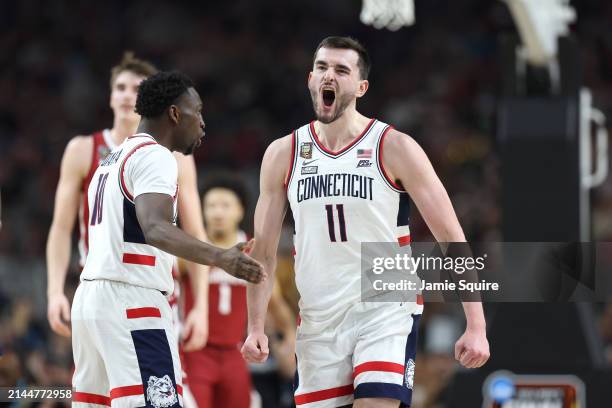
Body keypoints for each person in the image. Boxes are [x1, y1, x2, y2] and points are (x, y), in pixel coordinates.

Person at [242, 36, 490, 408]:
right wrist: (256, 327)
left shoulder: (393, 146)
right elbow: (262, 251)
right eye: (323, 68)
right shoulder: (284, 153)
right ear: (311, 79)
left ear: (361, 87)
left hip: (384, 305)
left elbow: (450, 236)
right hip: (318, 316)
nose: (330, 76)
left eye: (342, 70)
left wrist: (477, 325)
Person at [71, 71, 264, 407]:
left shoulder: (109, 160)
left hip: (90, 301)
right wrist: (220, 257)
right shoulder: (156, 156)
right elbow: (156, 227)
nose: (202, 122)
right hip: (132, 300)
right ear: (175, 114)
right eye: (197, 111)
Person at [46, 52, 209, 354]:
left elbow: (195, 229)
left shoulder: (174, 156)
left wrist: (201, 306)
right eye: (120, 87)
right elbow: (60, 228)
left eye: (136, 89)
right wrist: (55, 291)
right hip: (100, 282)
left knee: (152, 394)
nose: (126, 95)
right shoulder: (84, 149)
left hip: (151, 288)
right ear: (109, 97)